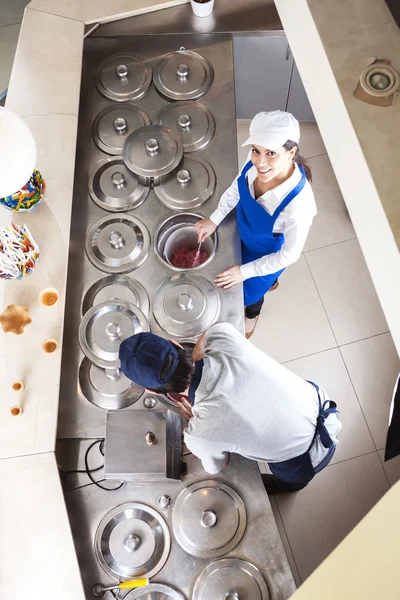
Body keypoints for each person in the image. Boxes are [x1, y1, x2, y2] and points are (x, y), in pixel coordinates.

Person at [119, 322, 342, 494]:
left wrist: (197, 426)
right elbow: (211, 330)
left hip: (306, 455)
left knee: (290, 483)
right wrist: (196, 354)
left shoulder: (199, 435)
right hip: (317, 402)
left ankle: (287, 487)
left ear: (153, 392)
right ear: (175, 343)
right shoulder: (222, 335)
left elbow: (218, 465)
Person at [195, 111, 316, 339]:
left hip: (266, 255)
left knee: (250, 294)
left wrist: (244, 272)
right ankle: (271, 282)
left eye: (271, 153)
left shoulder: (299, 205)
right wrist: (214, 218)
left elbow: (289, 255)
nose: (260, 162)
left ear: (291, 153)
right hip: (244, 234)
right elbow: (235, 189)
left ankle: (251, 318)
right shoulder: (255, 167)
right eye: (256, 150)